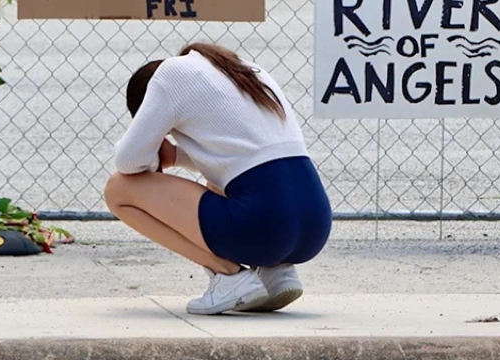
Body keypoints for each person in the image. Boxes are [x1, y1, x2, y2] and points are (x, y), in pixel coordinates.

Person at [104, 43, 332, 316]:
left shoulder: (168, 77)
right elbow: (236, 154)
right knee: (232, 182)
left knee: (119, 188)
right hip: (314, 226)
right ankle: (275, 273)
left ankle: (228, 278)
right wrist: (174, 155)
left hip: (262, 229)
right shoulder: (244, 69)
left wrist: (152, 154)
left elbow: (127, 160)